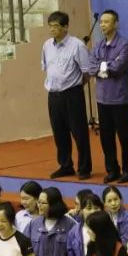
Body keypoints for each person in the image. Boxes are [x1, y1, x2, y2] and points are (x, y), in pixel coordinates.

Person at [87, 9, 128, 183]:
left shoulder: (124, 45)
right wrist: (105, 67)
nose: (102, 25)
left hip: (120, 98)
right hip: (102, 98)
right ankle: (112, 170)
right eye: (101, 22)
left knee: (125, 137)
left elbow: (118, 67)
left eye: (106, 22)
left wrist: (103, 68)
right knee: (106, 137)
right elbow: (91, 67)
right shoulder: (98, 45)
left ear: (115, 24)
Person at [42, 11, 92, 180]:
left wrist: (76, 87)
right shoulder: (47, 45)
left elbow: (86, 72)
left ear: (65, 27)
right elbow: (47, 68)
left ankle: (84, 167)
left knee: (79, 132)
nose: (52, 29)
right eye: (50, 26)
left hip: (72, 94)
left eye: (56, 26)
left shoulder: (77, 45)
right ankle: (65, 165)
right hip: (53, 95)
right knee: (59, 132)